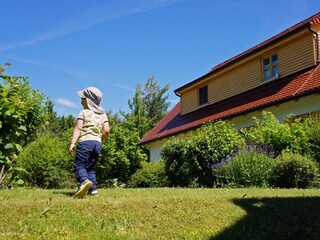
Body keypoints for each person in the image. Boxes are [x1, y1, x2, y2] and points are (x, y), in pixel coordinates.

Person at [69, 87, 109, 198]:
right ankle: (93, 190)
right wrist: (100, 139)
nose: (81, 101)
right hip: (97, 144)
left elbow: (78, 128)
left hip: (85, 142)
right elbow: (106, 131)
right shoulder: (103, 114)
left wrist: (72, 143)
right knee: (90, 167)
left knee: (80, 165)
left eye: (82, 98)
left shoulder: (83, 113)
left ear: (88, 100)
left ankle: (84, 181)